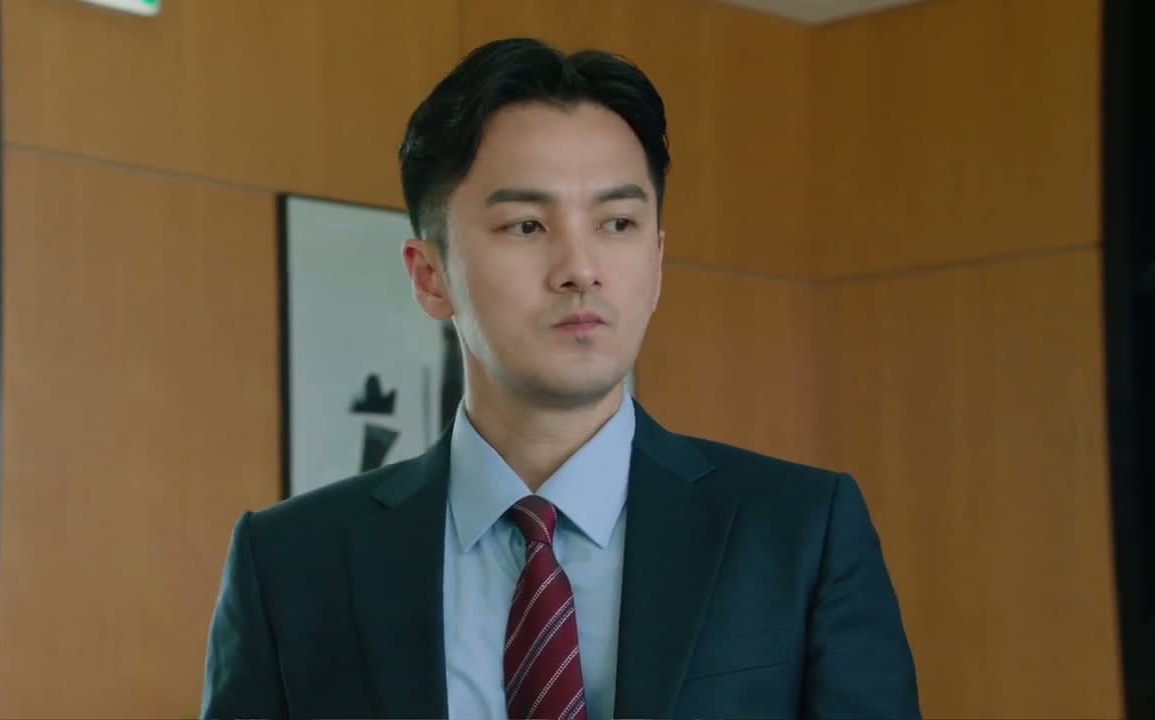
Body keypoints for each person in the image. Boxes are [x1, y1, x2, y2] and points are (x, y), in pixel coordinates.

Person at [201, 37, 921, 720]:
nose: (581, 269)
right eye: (527, 226)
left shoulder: (799, 534)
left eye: (617, 223)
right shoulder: (291, 564)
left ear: (657, 260)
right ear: (430, 277)